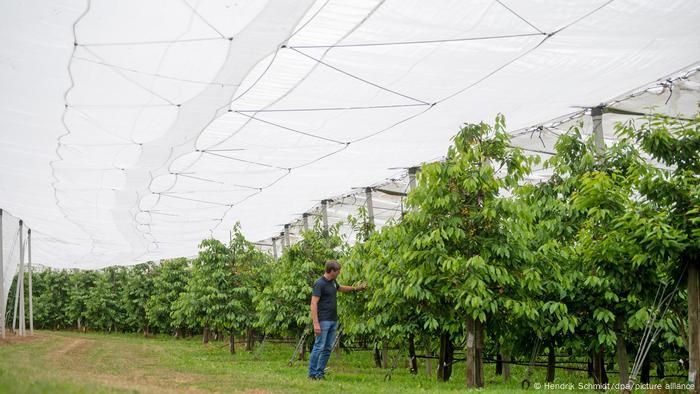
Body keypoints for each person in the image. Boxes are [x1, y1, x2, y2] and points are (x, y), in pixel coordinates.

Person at [308, 260, 365, 380]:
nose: (339, 273)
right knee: (319, 347)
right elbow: (313, 304)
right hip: (323, 320)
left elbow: (341, 288)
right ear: (332, 271)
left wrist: (356, 289)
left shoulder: (333, 282)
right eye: (338, 271)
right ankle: (312, 374)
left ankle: (320, 373)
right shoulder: (319, 283)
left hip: (333, 320)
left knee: (328, 348)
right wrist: (316, 323)